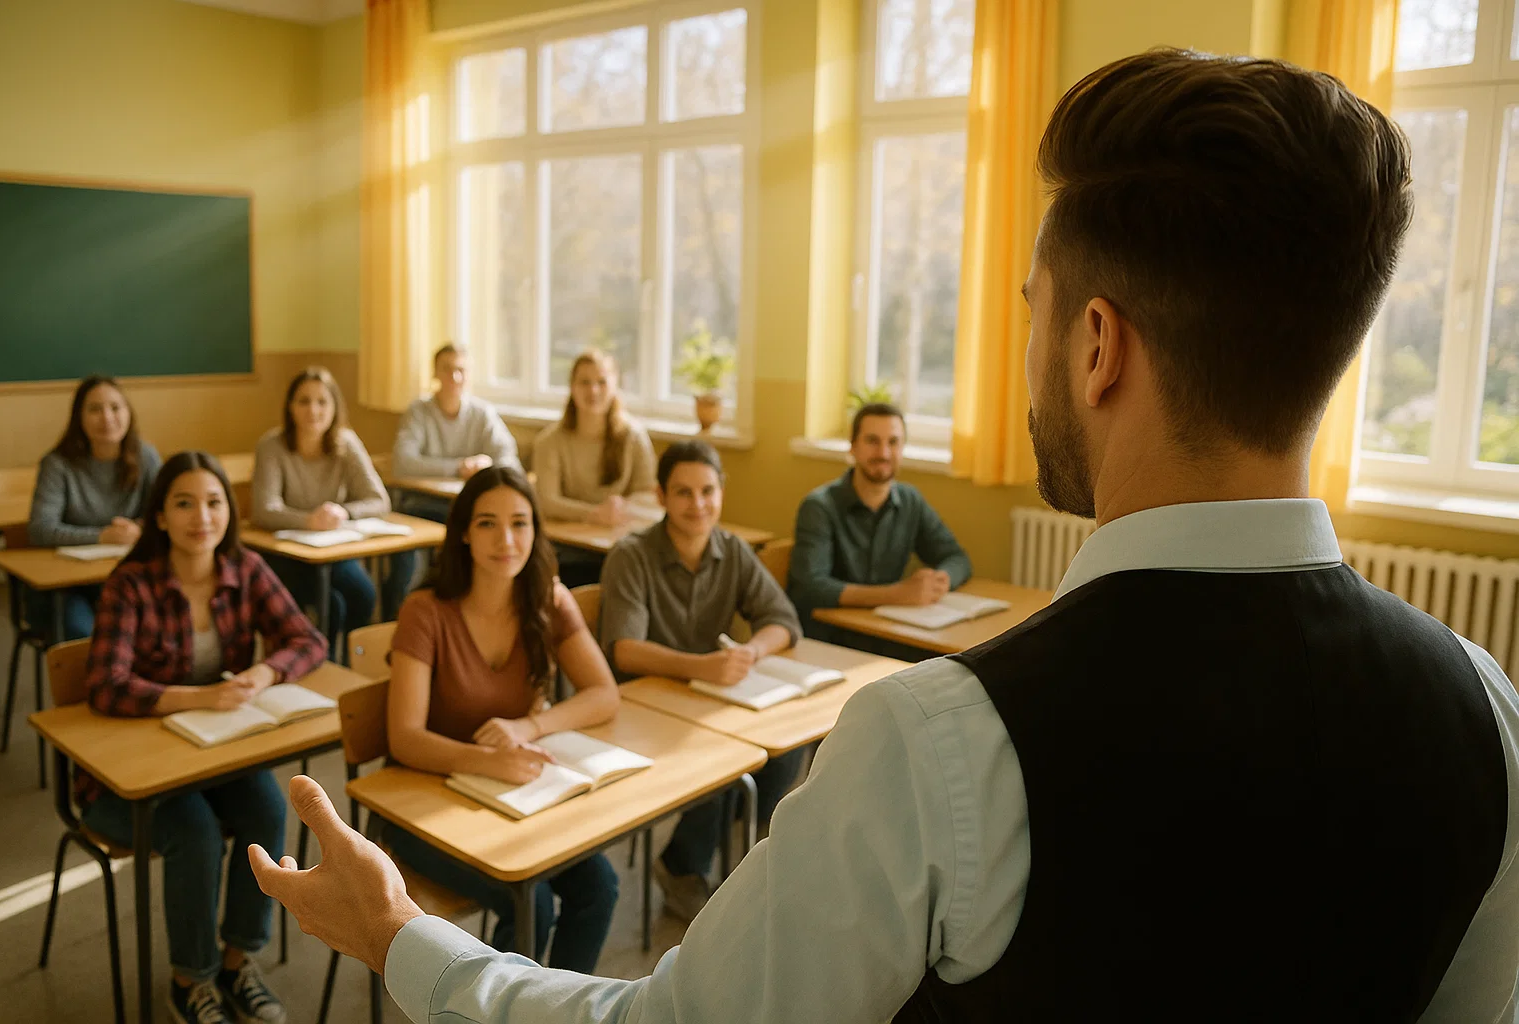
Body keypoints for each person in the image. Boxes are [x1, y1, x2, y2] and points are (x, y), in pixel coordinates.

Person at [251, 50, 1519, 1023]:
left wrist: (400, 934)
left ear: (1096, 346)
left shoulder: (946, 740)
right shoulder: (1487, 709)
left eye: (1032, 312)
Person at [84, 450, 327, 1024]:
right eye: (184, 503)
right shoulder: (131, 583)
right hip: (129, 772)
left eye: (214, 502)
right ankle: (190, 980)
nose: (202, 517)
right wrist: (199, 696)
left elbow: (307, 640)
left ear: (229, 511)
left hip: (213, 754)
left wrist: (263, 673)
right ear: (159, 516)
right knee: (194, 832)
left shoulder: (244, 568)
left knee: (268, 810)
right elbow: (104, 686)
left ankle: (237, 963)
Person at [379, 464, 621, 971]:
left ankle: (562, 1004)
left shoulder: (547, 599)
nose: (506, 539)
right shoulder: (426, 611)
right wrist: (486, 760)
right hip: (421, 800)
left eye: (519, 523)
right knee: (531, 902)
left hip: (509, 795)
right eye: (487, 523)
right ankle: (500, 1005)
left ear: (536, 530)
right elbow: (404, 738)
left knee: (600, 886)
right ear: (464, 533)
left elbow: (604, 695)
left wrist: (528, 727)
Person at [597, 440, 803, 923]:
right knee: (727, 762)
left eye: (708, 491)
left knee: (785, 751)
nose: (698, 504)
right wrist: (701, 666)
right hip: (644, 706)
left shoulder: (731, 549)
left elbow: (783, 621)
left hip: (708, 698)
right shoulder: (632, 555)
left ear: (721, 492)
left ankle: (729, 858)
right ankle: (683, 867)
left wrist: (751, 651)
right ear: (661, 496)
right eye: (683, 493)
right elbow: (624, 649)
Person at [786, 401, 971, 659]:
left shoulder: (910, 500)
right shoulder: (819, 507)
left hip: (888, 634)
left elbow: (956, 557)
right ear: (853, 447)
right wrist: (898, 594)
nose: (883, 453)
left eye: (893, 442)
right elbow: (810, 587)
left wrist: (938, 582)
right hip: (831, 642)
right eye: (872, 441)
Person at [251, 367, 409, 645]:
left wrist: (344, 512)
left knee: (364, 594)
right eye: (304, 401)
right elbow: (264, 510)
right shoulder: (272, 446)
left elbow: (378, 499)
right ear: (290, 407)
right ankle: (324, 660)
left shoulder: (346, 442)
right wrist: (307, 521)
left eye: (322, 402)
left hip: (332, 550)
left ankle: (351, 660)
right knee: (331, 604)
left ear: (335, 407)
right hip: (287, 555)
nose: (313, 410)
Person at [27, 374, 162, 638]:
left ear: (128, 413)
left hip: (130, 574)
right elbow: (40, 529)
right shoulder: (58, 464)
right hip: (67, 587)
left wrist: (138, 530)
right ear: (79, 417)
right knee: (88, 635)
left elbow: (163, 515)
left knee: (155, 626)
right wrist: (103, 536)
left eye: (115, 407)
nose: (107, 417)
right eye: (95, 409)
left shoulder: (146, 457)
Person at [532, 349, 657, 588]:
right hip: (565, 548)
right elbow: (546, 501)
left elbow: (649, 495)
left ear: (615, 385)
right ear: (572, 387)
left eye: (601, 382)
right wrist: (593, 514)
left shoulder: (634, 436)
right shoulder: (549, 441)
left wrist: (621, 507)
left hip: (619, 545)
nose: (593, 391)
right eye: (585, 382)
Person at [391, 342, 520, 523]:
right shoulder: (418, 411)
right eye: (447, 369)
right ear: (435, 373)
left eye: (461, 370)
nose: (455, 377)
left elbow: (509, 460)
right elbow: (403, 462)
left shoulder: (483, 413)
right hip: (425, 501)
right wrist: (459, 468)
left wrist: (486, 467)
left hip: (474, 500)